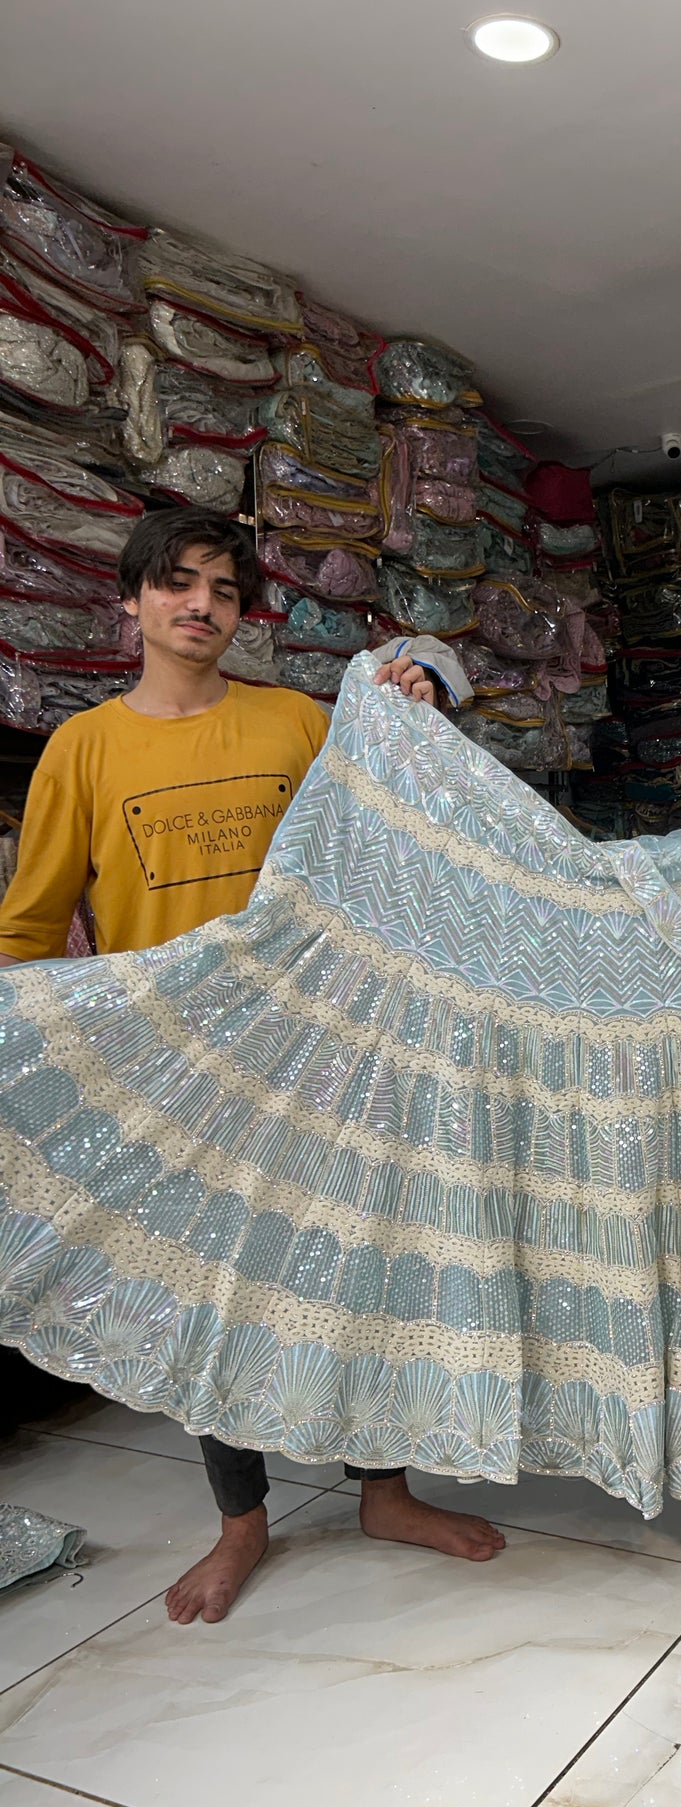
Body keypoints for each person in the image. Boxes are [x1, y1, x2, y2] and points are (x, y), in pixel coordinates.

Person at [0, 505, 505, 1623]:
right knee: (208, 1298)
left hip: (329, 1055)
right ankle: (242, 1522)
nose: (201, 608)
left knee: (360, 1269)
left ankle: (385, 1488)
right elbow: (29, 929)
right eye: (177, 585)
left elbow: (412, 723)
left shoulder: (292, 723)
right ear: (129, 603)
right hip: (180, 1076)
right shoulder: (84, 749)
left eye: (225, 592)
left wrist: (426, 681)